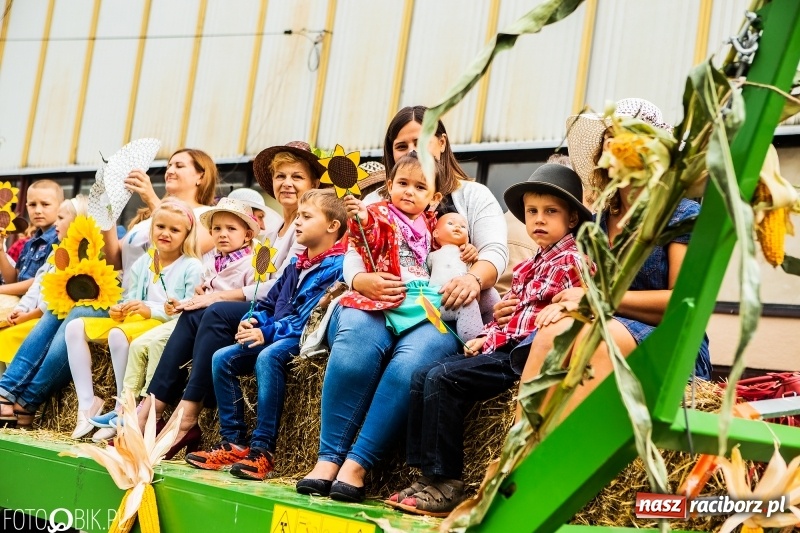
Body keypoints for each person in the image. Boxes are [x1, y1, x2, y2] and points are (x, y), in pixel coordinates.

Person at [298, 107, 508, 502]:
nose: (412, 149)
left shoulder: (472, 195)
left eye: (421, 140)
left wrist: (471, 278)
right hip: (377, 296)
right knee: (356, 343)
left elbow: (495, 252)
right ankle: (327, 459)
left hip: (436, 304)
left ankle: (356, 465)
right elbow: (354, 253)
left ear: (441, 143)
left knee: (411, 362)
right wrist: (362, 281)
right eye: (401, 145)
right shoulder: (378, 200)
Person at [388, 163, 592, 516]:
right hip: (506, 345)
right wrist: (486, 336)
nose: (539, 219)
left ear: (572, 219)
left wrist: (510, 330)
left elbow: (570, 315)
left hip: (527, 354)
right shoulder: (529, 265)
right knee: (423, 374)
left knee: (444, 378)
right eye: (532, 212)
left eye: (550, 212)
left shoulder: (573, 262)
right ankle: (425, 475)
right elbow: (510, 317)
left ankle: (447, 481)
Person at [513, 98, 712, 423]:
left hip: (670, 342)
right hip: (604, 324)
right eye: (611, 140)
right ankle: (519, 446)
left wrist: (598, 298)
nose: (618, 149)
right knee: (551, 333)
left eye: (630, 140)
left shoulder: (682, 214)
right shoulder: (597, 223)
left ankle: (569, 449)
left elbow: (682, 303)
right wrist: (521, 305)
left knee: (598, 341)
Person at [0, 149, 218, 429]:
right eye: (168, 165)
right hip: (126, 297)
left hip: (157, 304)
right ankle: (11, 393)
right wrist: (108, 215)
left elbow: (191, 248)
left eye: (179, 165)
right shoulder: (144, 220)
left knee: (77, 314)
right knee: (58, 308)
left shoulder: (207, 216)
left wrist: (154, 201)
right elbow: (117, 260)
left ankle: (25, 398)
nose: (170, 170)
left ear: (201, 175)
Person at [139, 141, 326, 455]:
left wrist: (219, 296)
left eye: (297, 177)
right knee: (194, 313)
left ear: (314, 184)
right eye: (280, 176)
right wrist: (208, 292)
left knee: (214, 311)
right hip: (262, 306)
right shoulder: (274, 231)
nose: (287, 183)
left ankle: (186, 415)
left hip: (285, 314)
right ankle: (152, 408)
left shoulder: (303, 229)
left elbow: (281, 286)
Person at [185, 190, 347, 479]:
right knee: (222, 358)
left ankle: (263, 450)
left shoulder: (336, 267)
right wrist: (251, 320)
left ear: (332, 226)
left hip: (302, 339)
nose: (297, 222)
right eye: (298, 216)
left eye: (306, 217)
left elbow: (307, 319)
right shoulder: (296, 265)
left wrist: (267, 332)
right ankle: (234, 442)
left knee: (268, 357)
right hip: (277, 332)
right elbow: (268, 303)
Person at [89, 198, 259, 441]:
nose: (223, 234)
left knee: (167, 334)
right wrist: (198, 295)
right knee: (180, 320)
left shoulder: (251, 263)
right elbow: (199, 294)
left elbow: (256, 297)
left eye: (231, 229)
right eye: (217, 229)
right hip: (198, 318)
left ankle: (160, 414)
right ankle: (144, 410)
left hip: (227, 320)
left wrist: (205, 299)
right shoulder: (213, 262)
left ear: (248, 235)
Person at [66, 200, 204, 439]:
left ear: (186, 235)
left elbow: (188, 308)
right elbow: (132, 297)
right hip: (136, 319)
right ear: (152, 229)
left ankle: (123, 406)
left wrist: (150, 310)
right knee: (75, 327)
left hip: (162, 323)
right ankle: (87, 403)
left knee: (117, 335)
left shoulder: (191, 266)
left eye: (174, 230)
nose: (166, 233)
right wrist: (120, 309)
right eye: (160, 227)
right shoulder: (145, 262)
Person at [0, 197, 88, 427]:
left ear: (78, 222)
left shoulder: (84, 256)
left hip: (48, 315)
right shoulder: (56, 252)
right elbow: (37, 285)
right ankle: (14, 400)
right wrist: (21, 308)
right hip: (35, 312)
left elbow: (61, 299)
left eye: (61, 218)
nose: (55, 224)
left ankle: (7, 393)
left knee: (52, 317)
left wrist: (30, 314)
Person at [428, 213, 497, 340]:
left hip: (466, 291)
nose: (457, 227)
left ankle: (496, 332)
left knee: (490, 293)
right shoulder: (432, 255)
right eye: (450, 223)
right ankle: (474, 343)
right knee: (466, 303)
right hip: (440, 301)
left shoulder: (467, 253)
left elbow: (475, 268)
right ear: (436, 233)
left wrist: (472, 252)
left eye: (463, 226)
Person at [0, 180, 63, 296]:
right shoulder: (29, 243)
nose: (38, 211)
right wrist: (0, 251)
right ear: (27, 207)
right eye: (32, 205)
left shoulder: (59, 240)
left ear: (61, 207)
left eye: (45, 204)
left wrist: (2, 289)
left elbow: (42, 280)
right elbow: (14, 281)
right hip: (20, 300)